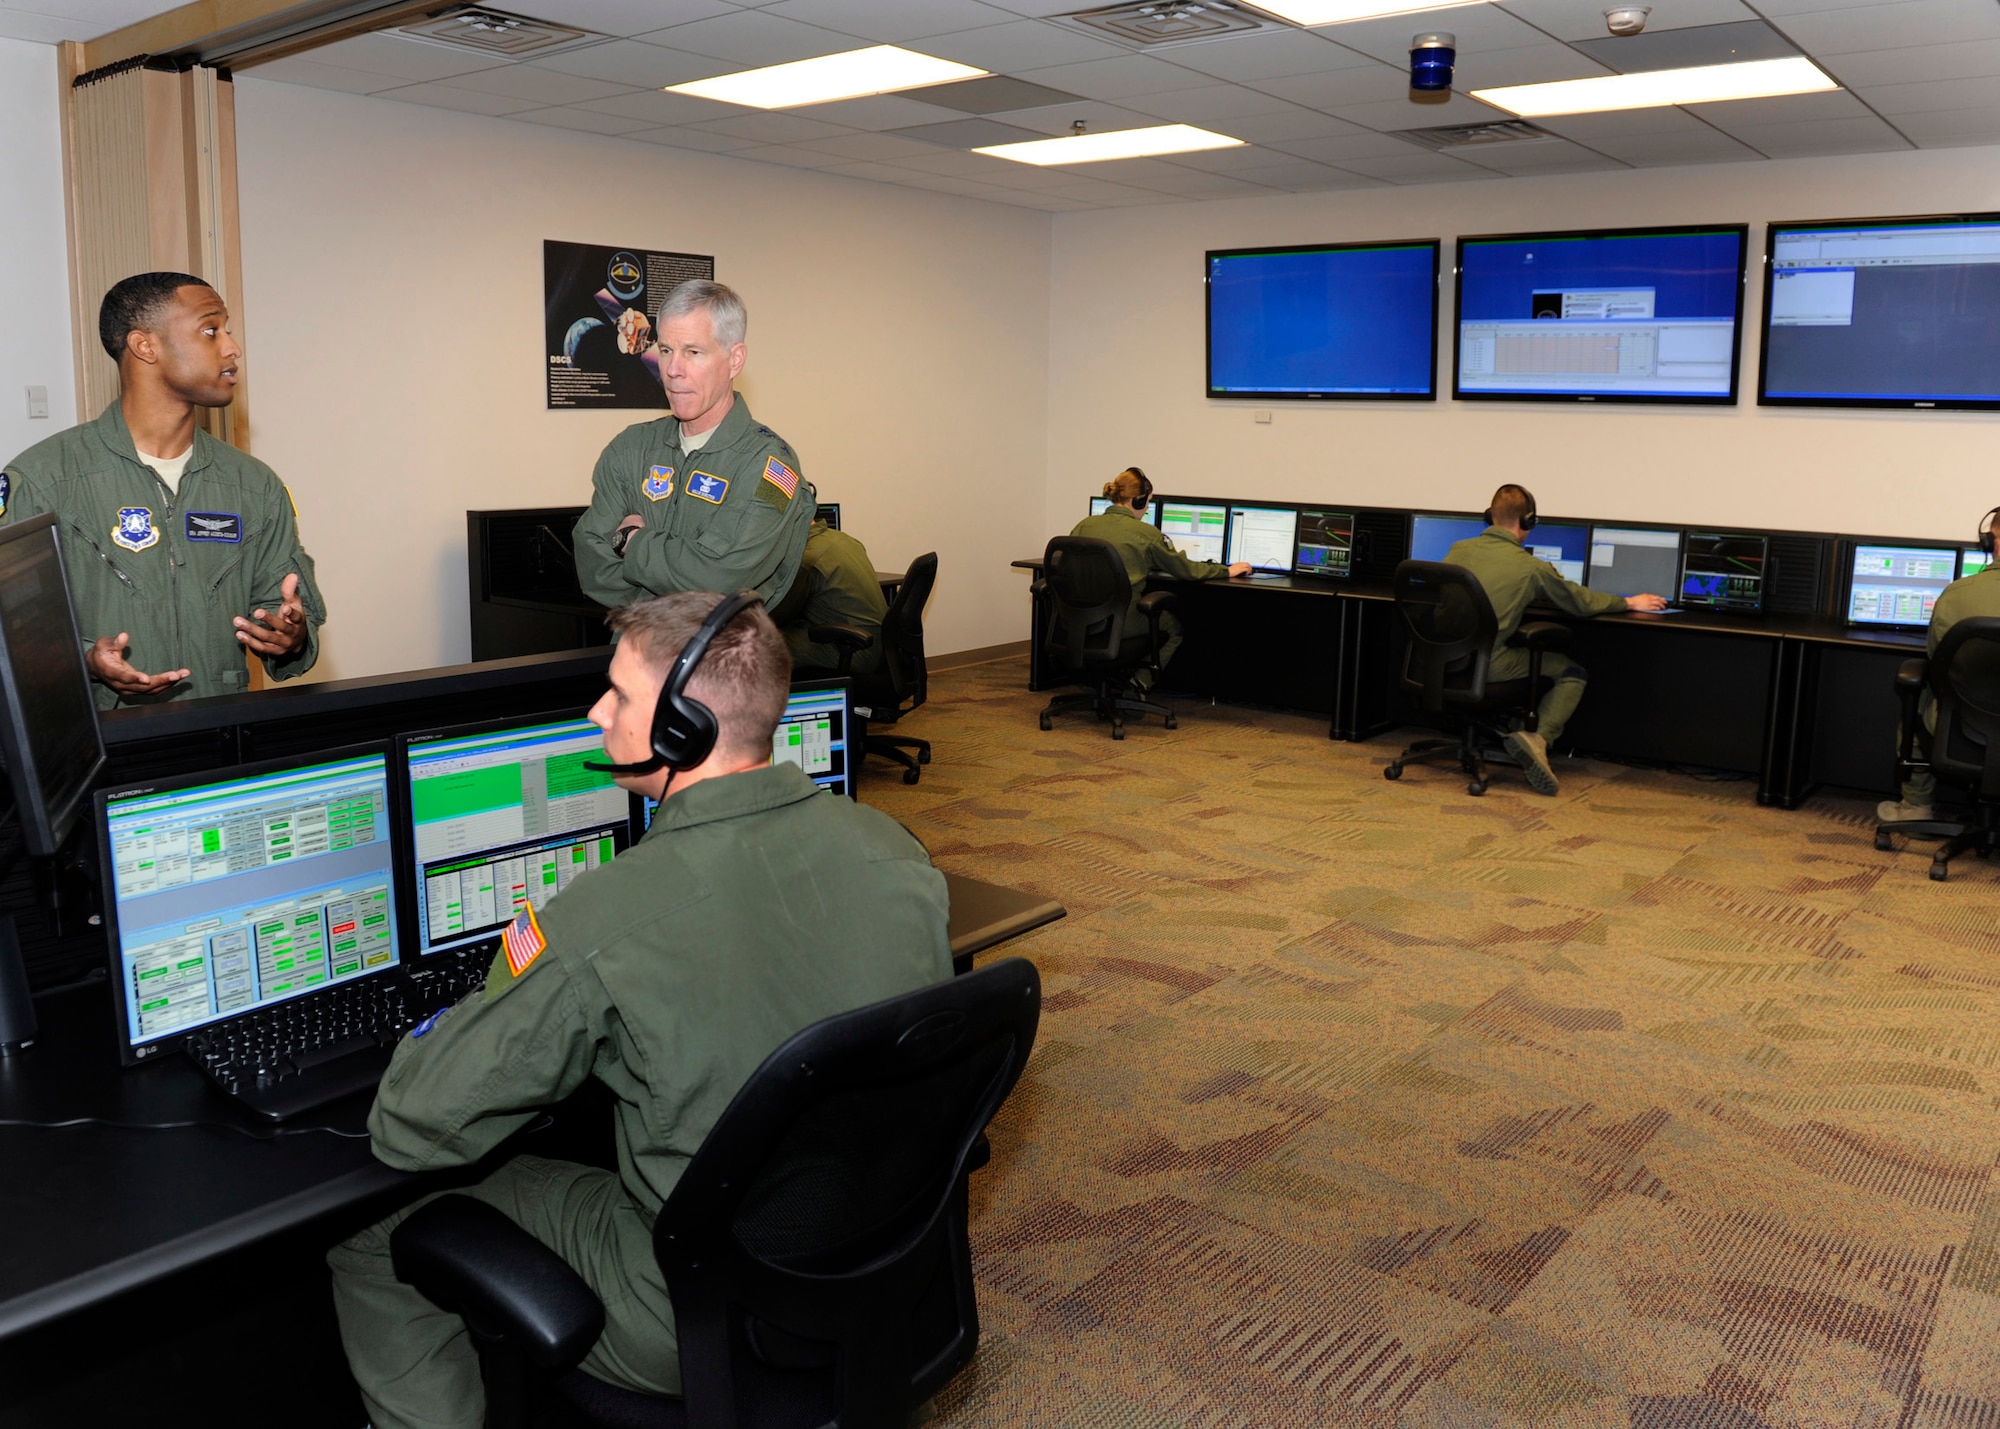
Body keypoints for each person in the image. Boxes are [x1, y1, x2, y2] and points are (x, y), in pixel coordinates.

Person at [328, 590, 952, 1429]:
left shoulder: (602, 918)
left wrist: (465, 1011)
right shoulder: (896, 851)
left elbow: (411, 1123)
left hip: (694, 1312)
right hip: (878, 1263)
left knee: (373, 1237)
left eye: (617, 693)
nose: (596, 710)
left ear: (680, 729)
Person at [2, 272, 324, 707]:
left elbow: (283, 612)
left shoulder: (252, 484)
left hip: (219, 745)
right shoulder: (43, 479)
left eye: (227, 330)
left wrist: (291, 635)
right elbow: (12, 634)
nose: (232, 348)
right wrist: (86, 663)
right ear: (145, 346)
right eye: (211, 330)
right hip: (103, 753)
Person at [573, 280, 815, 615]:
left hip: (720, 660)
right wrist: (678, 584)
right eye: (667, 350)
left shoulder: (769, 463)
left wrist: (632, 541)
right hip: (635, 656)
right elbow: (592, 566)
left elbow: (721, 578)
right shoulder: (631, 448)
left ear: (735, 360)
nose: (672, 370)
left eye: (693, 352)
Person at [1444, 484, 1668, 796]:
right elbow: (1581, 602)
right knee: (1571, 672)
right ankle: (1537, 739)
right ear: (1528, 522)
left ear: (1489, 516)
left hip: (1440, 661)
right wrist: (1630, 602)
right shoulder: (1530, 567)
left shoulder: (1457, 551)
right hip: (1488, 666)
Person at [1070, 467, 1249, 688]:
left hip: (1080, 620)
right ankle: (1139, 684)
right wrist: (1227, 571)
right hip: (1123, 621)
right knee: (1173, 628)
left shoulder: (1084, 525)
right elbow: (1187, 571)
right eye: (1147, 502)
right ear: (1138, 501)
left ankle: (1102, 684)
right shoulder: (1146, 534)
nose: (1146, 509)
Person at [1877, 507, 2000, 825]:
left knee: (1921, 692)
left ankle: (1916, 807)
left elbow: (1937, 659)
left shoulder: (1956, 594)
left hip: (1966, 731)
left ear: (1990, 541)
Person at [782, 514, 890, 675]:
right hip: (882, 645)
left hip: (856, 650)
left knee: (765, 644)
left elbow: (780, 613)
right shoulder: (845, 540)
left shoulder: (808, 558)